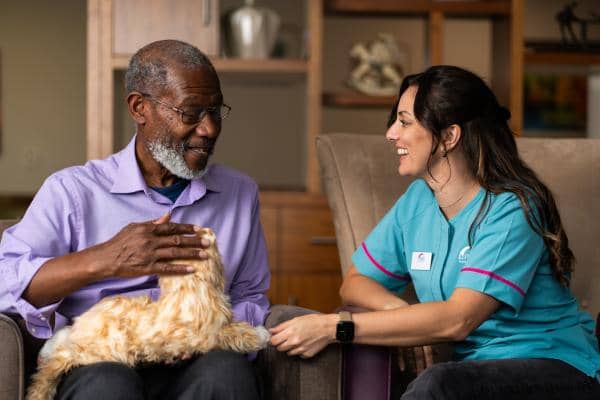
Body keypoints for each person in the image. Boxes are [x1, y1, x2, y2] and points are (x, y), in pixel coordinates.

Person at [269, 65, 600, 399]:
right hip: (472, 370)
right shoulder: (418, 200)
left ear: (448, 137)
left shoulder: (513, 209)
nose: (391, 134)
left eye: (405, 121)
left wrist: (334, 327)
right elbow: (355, 282)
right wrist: (398, 314)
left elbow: (458, 319)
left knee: (437, 384)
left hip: (554, 365)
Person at [0, 40, 269, 400]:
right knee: (109, 386)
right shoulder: (72, 191)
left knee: (229, 375)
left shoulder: (240, 194)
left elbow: (251, 296)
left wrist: (201, 330)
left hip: (200, 357)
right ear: (140, 107)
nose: (209, 129)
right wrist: (105, 259)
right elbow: (5, 284)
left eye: (216, 111)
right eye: (191, 113)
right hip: (103, 357)